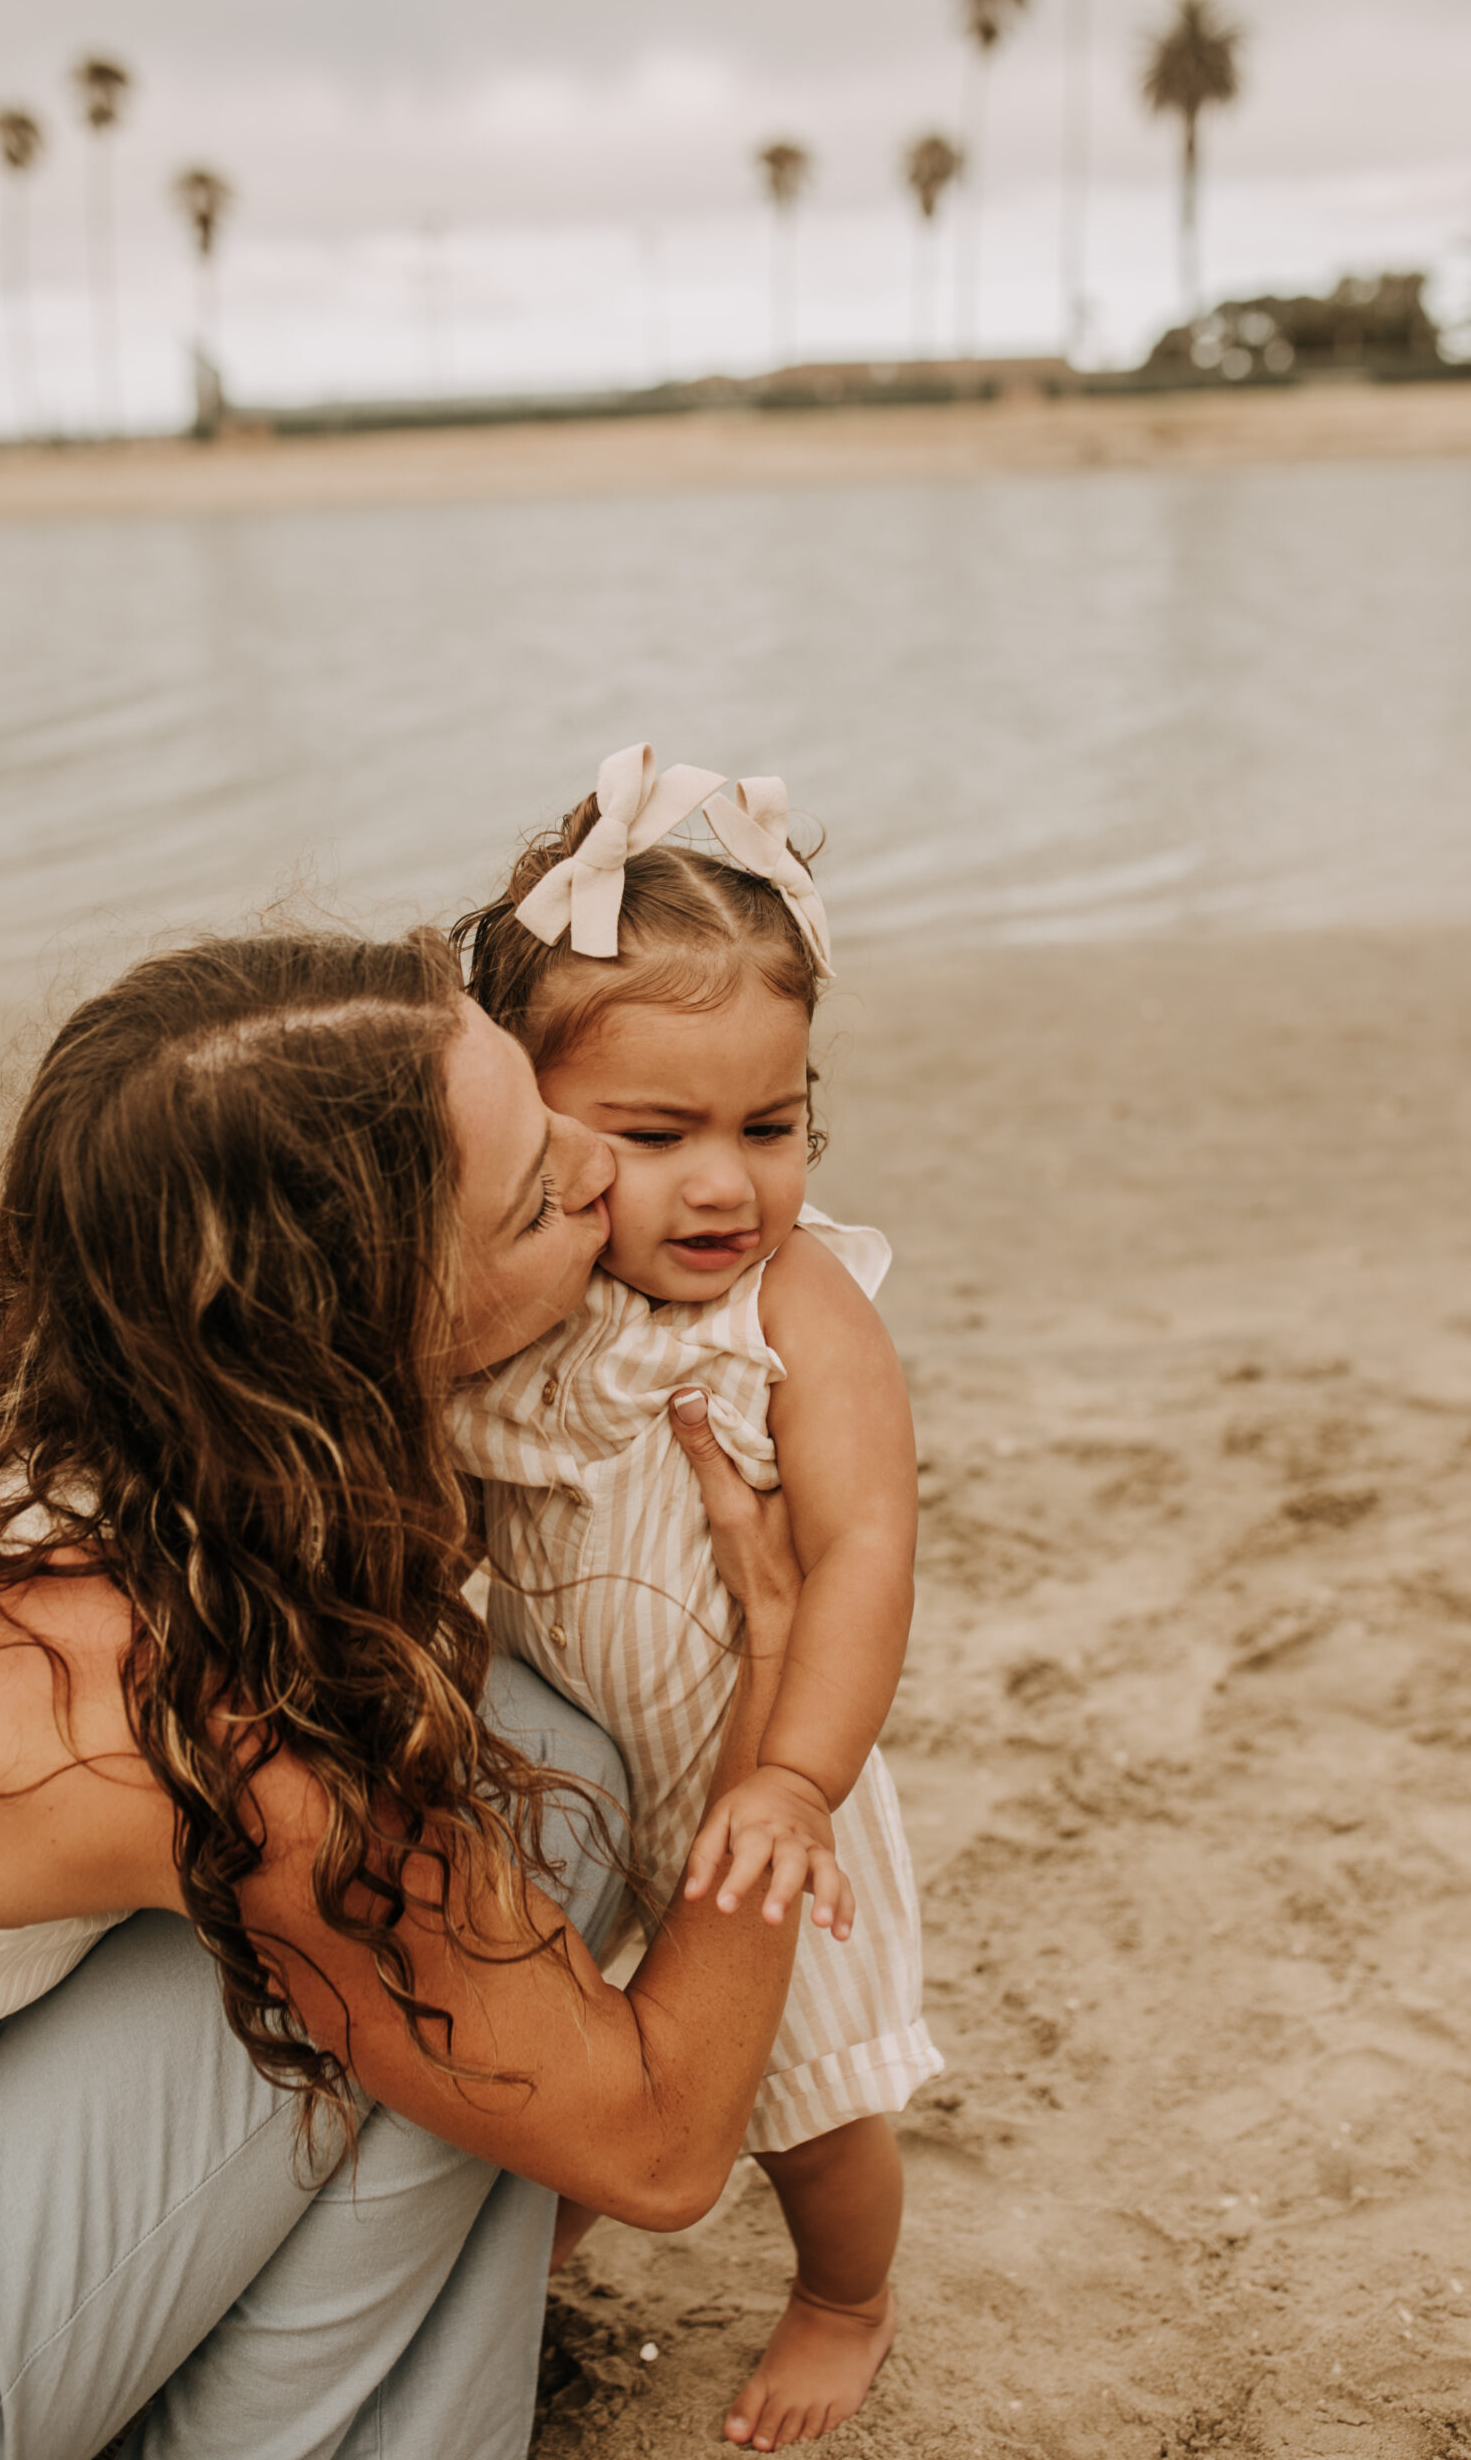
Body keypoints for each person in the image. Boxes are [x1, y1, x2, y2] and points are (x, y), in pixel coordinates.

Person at [0, 925, 814, 2460]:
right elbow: (663, 2146)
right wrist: (774, 1673)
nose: (600, 1167)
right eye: (543, 1191)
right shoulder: (179, 1693)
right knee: (520, 1826)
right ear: (360, 1337)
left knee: (477, 1801)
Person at [448, 749, 940, 2454]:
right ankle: (555, 2226)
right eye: (657, 1137)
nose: (726, 1184)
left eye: (771, 1126)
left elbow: (868, 1546)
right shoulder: (528, 1291)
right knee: (567, 2048)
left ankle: (842, 2294)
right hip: (576, 1761)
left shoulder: (802, 1307)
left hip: (758, 1792)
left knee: (808, 2097)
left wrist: (796, 1779)